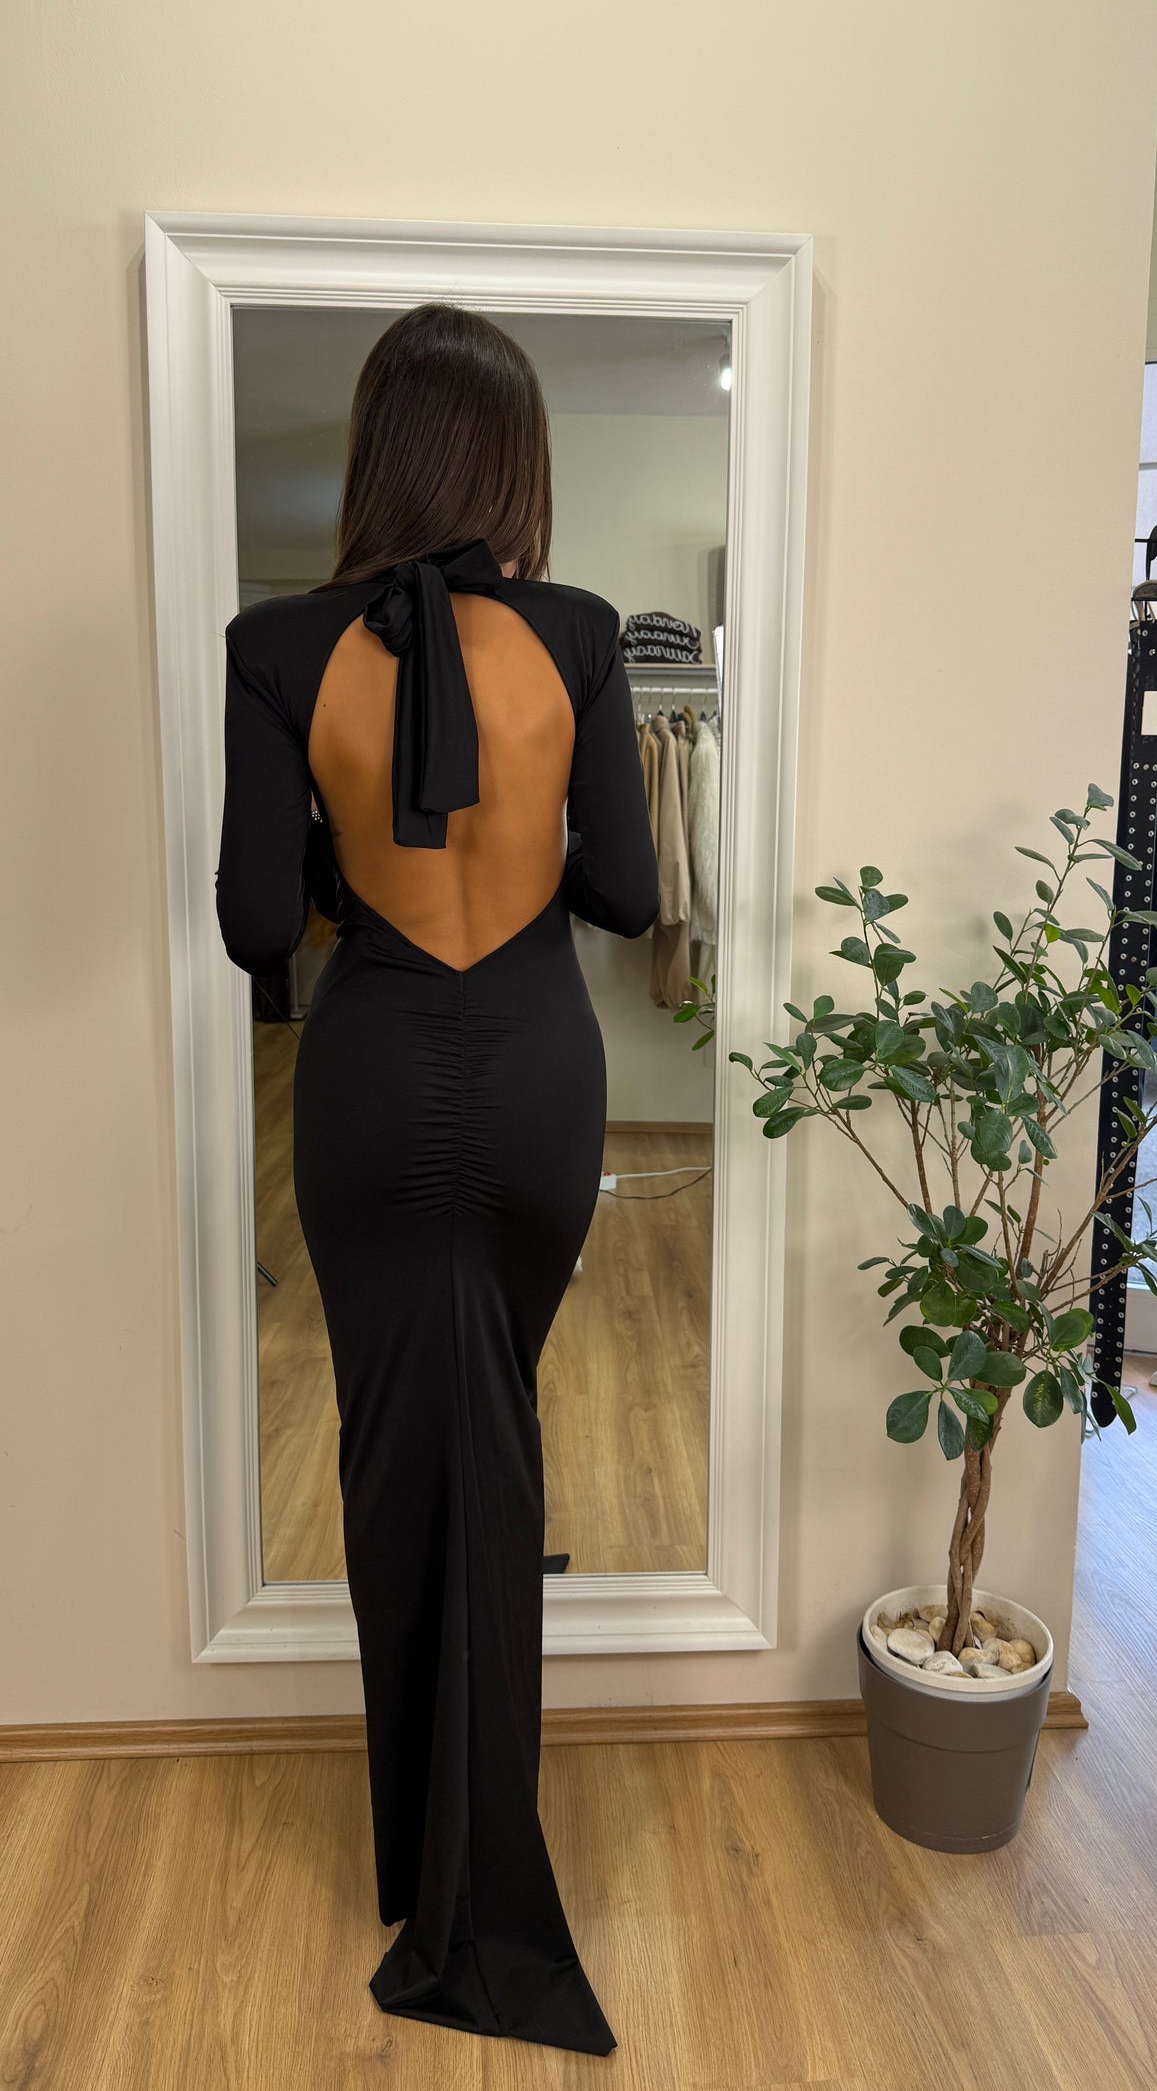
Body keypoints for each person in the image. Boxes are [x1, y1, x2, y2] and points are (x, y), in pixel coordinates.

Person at [213, 301, 659, 2056]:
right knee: (499, 1437)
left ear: (375, 453)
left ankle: (426, 1864)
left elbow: (257, 921)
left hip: (376, 1084)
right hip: (538, 1076)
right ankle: (481, 1859)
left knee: (401, 1458)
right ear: (518, 462)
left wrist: (349, 845)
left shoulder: (276, 644)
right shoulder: (583, 632)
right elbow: (627, 893)